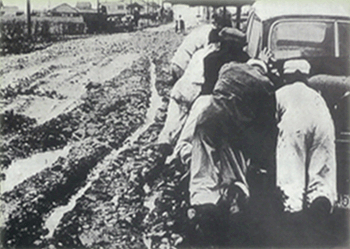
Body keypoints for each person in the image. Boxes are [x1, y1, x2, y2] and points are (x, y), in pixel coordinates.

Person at [185, 59, 277, 246]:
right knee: (234, 175)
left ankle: (203, 210)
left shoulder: (228, 66)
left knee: (203, 171)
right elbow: (266, 128)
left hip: (207, 119)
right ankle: (233, 210)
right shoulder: (266, 86)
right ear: (263, 71)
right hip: (233, 130)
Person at [272, 59, 337, 246]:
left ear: (287, 77)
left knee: (291, 177)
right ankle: (319, 213)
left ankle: (294, 231)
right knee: (321, 176)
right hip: (323, 123)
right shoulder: (317, 96)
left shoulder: (280, 93)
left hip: (294, 124)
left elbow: (273, 125)